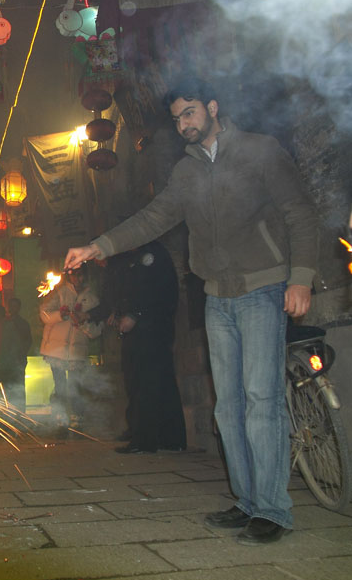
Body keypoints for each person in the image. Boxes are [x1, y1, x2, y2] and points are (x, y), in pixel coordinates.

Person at [64, 75, 317, 545]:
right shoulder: (186, 173)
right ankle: (246, 502)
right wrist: (97, 246)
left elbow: (300, 213)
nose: (184, 124)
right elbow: (152, 218)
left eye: (191, 113)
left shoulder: (260, 151)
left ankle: (274, 510)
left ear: (213, 108)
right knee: (230, 406)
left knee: (261, 402)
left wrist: (300, 277)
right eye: (178, 117)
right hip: (217, 296)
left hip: (264, 288)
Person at [112, 241, 186, 454]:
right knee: (154, 380)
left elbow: (156, 291)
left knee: (146, 382)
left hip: (151, 330)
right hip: (150, 329)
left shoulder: (152, 256)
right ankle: (168, 438)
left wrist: (136, 315)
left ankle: (146, 439)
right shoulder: (136, 259)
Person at [39, 267, 101, 430]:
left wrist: (81, 322)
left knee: (75, 385)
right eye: (74, 276)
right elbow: (44, 314)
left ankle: (76, 419)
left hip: (76, 351)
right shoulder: (60, 292)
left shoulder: (92, 298)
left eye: (81, 276)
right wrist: (60, 315)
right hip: (56, 349)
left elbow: (96, 330)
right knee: (59, 385)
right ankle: (59, 418)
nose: (78, 280)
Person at [0, 297, 32, 411]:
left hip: (17, 361)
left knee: (19, 388)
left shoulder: (23, 324)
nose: (13, 308)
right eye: (11, 305)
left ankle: (20, 414)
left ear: (19, 308)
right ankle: (8, 414)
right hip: (4, 361)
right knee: (6, 388)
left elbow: (28, 341)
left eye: (15, 306)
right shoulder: (3, 322)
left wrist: (20, 354)